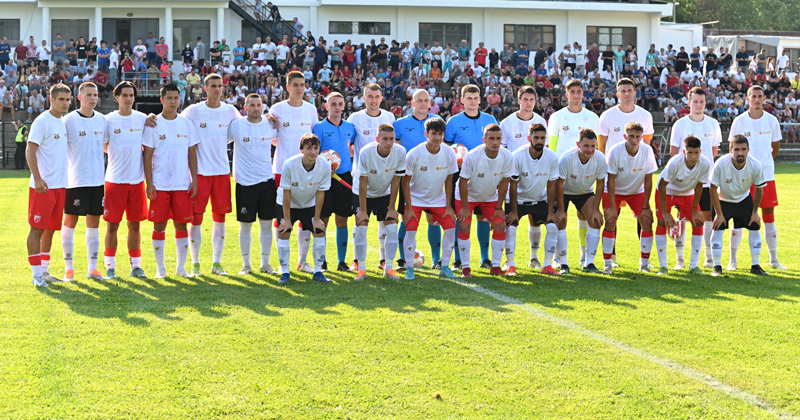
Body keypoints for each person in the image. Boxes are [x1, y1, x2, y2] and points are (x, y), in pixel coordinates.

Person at [177, 74, 240, 276]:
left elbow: (244, 128)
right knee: (196, 219)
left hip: (222, 173)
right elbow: (174, 122)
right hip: (200, 174)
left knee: (220, 219)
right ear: (205, 88)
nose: (217, 89)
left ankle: (217, 263)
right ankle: (195, 264)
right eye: (213, 86)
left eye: (220, 86)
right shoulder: (193, 111)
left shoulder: (230, 111)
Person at [142, 83, 199, 279]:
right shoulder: (153, 124)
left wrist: (194, 179)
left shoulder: (187, 124)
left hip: (182, 184)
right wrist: (149, 183)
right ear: (162, 100)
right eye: (169, 98)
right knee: (159, 226)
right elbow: (147, 156)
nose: (173, 101)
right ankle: (160, 268)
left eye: (176, 98)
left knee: (181, 225)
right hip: (160, 185)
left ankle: (181, 267)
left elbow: (192, 154)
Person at [727, 85, 786, 270]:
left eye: (760, 96)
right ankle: (732, 261)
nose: (757, 99)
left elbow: (775, 148)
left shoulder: (771, 120)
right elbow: (732, 149)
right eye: (753, 96)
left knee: (769, 217)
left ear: (764, 98)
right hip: (743, 177)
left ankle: (773, 260)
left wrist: (762, 166)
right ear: (747, 99)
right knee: (738, 218)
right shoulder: (739, 121)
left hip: (766, 176)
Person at [547, 79, 600, 267]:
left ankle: (584, 256)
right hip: (561, 176)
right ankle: (557, 258)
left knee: (584, 216)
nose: (576, 95)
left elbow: (596, 146)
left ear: (583, 93)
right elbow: (552, 147)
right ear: (566, 94)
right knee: (559, 217)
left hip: (583, 176)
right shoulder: (557, 117)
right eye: (572, 92)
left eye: (579, 91)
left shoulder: (592, 117)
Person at [445, 84, 499, 269]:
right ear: (462, 100)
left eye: (476, 98)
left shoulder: (490, 119)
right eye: (469, 98)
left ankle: (485, 258)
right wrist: (456, 158)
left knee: (483, 217)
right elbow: (447, 148)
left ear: (480, 99)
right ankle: (458, 259)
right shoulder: (453, 121)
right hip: (461, 174)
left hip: (486, 174)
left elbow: (497, 144)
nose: (473, 101)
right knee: (460, 217)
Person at [270, 71, 318, 272]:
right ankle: (283, 263)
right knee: (281, 216)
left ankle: (302, 261)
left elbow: (314, 140)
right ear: (287, 87)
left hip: (307, 170)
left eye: (302, 84)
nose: (299, 88)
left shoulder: (311, 109)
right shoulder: (277, 109)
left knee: (306, 216)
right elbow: (273, 138)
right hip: (282, 169)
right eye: (296, 85)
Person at [669, 86, 721, 269]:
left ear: (705, 103)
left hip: (706, 180)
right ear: (689, 102)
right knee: (682, 217)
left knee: (707, 216)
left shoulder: (713, 124)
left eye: (702, 102)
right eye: (695, 101)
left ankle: (708, 257)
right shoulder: (680, 124)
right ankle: (680, 259)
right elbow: (674, 153)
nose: (698, 105)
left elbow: (713, 152)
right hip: (684, 182)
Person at [61, 82, 107, 281]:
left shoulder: (102, 120)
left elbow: (106, 146)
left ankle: (92, 269)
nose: (92, 98)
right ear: (79, 97)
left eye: (95, 95)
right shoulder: (68, 120)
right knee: (70, 222)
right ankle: (68, 268)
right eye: (88, 95)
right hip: (75, 181)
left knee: (94, 223)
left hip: (97, 181)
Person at [102, 82, 149, 279]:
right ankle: (110, 267)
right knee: (112, 226)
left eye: (131, 95)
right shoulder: (108, 120)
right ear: (117, 97)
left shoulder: (143, 119)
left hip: (136, 181)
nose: (128, 99)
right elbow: (104, 146)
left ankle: (136, 266)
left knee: (135, 226)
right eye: (124, 95)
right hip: (114, 181)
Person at [402, 118, 459, 280]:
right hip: (415, 199)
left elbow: (449, 180)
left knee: (451, 228)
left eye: (440, 134)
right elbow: (405, 182)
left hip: (438, 199)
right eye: (434, 134)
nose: (437, 138)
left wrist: (449, 206)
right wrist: (409, 207)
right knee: (410, 231)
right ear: (426, 134)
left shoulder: (449, 152)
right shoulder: (414, 154)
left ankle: (445, 267)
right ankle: (410, 269)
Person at [228, 93, 278, 275]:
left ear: (263, 107)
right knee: (245, 226)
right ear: (245, 107)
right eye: (252, 105)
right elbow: (217, 139)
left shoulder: (270, 124)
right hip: (245, 183)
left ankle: (265, 264)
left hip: (266, 181)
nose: (256, 108)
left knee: (266, 225)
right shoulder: (236, 125)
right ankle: (246, 264)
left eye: (259, 105)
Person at [26, 83, 70, 287]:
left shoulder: (63, 122)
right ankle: (36, 276)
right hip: (43, 186)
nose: (65, 103)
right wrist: (37, 178)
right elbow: (30, 150)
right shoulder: (42, 121)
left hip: (60, 185)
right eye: (61, 99)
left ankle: (44, 272)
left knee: (50, 229)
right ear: (51, 100)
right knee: (37, 229)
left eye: (67, 99)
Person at [347, 83, 395, 270]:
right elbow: (348, 144)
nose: (373, 100)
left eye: (377, 97)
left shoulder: (389, 117)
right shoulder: (355, 118)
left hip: (384, 181)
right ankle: (357, 260)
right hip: (362, 181)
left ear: (381, 98)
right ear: (363, 98)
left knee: (385, 221)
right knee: (360, 220)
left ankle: (384, 261)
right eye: (370, 96)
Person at [393, 89, 443, 269]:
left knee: (433, 218)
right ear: (412, 103)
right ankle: (403, 259)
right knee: (406, 217)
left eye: (426, 100)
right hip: (409, 178)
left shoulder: (438, 122)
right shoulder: (399, 124)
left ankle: (437, 260)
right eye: (419, 100)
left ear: (430, 103)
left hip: (433, 178)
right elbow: (396, 150)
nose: (423, 104)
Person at [455, 124, 513, 277]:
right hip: (467, 195)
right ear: (484, 139)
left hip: (490, 196)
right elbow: (462, 182)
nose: (495, 142)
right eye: (491, 138)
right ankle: (465, 268)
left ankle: (496, 266)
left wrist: (499, 207)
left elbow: (505, 181)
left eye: (498, 138)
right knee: (464, 226)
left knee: (500, 225)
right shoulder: (472, 156)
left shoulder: (507, 156)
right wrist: (465, 208)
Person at [499, 86, 546, 269]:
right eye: (525, 99)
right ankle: (508, 261)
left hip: (535, 181)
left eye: (531, 100)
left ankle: (534, 258)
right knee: (511, 222)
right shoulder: (507, 123)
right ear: (519, 100)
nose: (528, 103)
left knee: (536, 221)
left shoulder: (541, 121)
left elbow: (544, 151)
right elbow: (502, 152)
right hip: (513, 182)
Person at [601, 121, 657, 274]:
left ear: (642, 137)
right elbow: (610, 181)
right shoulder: (615, 151)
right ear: (625, 136)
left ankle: (644, 264)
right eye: (631, 136)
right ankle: (608, 263)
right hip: (614, 191)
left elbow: (649, 180)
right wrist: (613, 207)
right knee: (610, 220)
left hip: (636, 191)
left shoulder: (647, 151)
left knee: (647, 220)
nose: (634, 140)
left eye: (638, 137)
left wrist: (645, 206)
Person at [709, 135, 769, 277]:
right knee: (717, 228)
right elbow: (712, 188)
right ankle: (717, 267)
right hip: (723, 200)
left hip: (743, 199)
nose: (740, 153)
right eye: (736, 149)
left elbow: (759, 189)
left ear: (748, 150)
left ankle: (755, 266)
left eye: (743, 149)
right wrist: (719, 214)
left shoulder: (755, 165)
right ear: (731, 150)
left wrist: (755, 212)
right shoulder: (721, 164)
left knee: (755, 226)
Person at [505, 123, 561, 276]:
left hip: (539, 199)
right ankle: (511, 265)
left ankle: (546, 265)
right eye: (536, 138)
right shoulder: (517, 156)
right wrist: (514, 211)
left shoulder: (551, 157)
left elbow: (551, 185)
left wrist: (551, 212)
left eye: (542, 138)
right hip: (518, 200)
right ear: (529, 138)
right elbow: (513, 184)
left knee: (552, 227)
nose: (539, 141)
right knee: (511, 228)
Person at [353, 123, 406, 281]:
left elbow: (396, 180)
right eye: (385, 139)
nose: (389, 143)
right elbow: (363, 181)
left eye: (392, 139)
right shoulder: (366, 152)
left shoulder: (400, 152)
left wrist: (392, 208)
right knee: (361, 226)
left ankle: (388, 268)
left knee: (392, 226)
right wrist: (363, 210)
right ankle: (361, 269)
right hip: (363, 193)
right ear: (377, 139)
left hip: (385, 193)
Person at [276, 134, 331, 284]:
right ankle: (285, 272)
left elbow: (321, 193)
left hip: (310, 203)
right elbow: (286, 192)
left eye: (316, 148)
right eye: (309, 148)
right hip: (288, 203)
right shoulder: (289, 165)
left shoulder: (325, 166)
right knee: (284, 231)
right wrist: (287, 219)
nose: (313, 152)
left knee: (319, 230)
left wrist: (317, 218)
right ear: (301, 149)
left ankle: (318, 272)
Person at [656, 136, 711, 275]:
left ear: (700, 151)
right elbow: (662, 185)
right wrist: (665, 212)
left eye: (696, 153)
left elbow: (699, 186)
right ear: (684, 151)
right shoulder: (675, 163)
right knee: (662, 221)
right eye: (690, 153)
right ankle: (663, 266)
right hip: (667, 191)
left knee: (698, 222)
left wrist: (694, 209)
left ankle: (694, 266)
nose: (693, 156)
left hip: (687, 192)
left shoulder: (705, 163)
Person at [314, 92, 357, 272]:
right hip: (325, 178)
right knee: (323, 219)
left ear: (344, 106)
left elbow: (351, 147)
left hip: (344, 177)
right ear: (326, 107)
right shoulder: (319, 128)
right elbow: (315, 153)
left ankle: (341, 261)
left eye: (340, 104)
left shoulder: (350, 127)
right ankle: (321, 261)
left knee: (342, 219)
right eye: (333, 104)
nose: (337, 107)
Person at [554, 129, 605, 274]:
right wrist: (561, 210)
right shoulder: (567, 158)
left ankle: (589, 263)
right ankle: (563, 263)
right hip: (564, 192)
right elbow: (559, 183)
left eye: (593, 146)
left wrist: (596, 209)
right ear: (578, 145)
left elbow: (600, 183)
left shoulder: (600, 158)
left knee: (595, 221)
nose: (590, 149)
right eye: (586, 146)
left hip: (584, 193)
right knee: (560, 221)